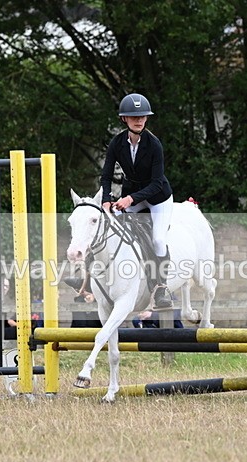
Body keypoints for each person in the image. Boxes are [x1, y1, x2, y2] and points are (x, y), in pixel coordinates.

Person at [101, 93, 174, 310]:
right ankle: (89, 278)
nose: (139, 120)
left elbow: (157, 183)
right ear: (124, 119)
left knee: (159, 240)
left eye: (142, 116)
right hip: (131, 194)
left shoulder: (154, 145)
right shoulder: (116, 143)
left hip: (158, 197)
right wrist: (106, 200)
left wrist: (130, 199)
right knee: (110, 226)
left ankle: (161, 287)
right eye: (134, 117)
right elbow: (105, 176)